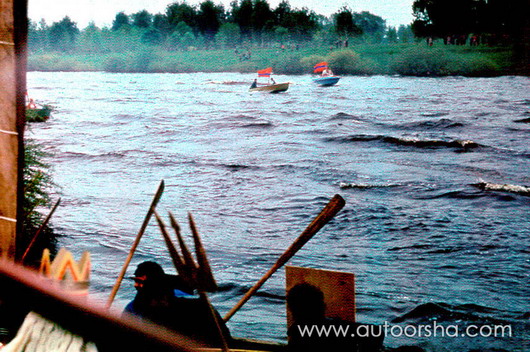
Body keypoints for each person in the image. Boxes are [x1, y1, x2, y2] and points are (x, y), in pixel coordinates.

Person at [123, 261, 231, 347]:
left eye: (141, 282)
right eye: (136, 281)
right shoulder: (135, 308)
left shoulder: (197, 307)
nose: (136, 285)